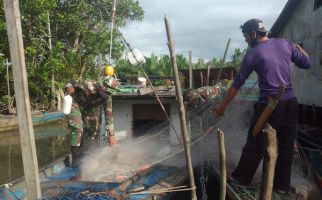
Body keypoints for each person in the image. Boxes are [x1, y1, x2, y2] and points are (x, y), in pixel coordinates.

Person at [213, 18, 310, 193]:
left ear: (253, 34)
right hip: (291, 104)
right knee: (286, 147)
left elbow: (237, 84)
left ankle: (240, 179)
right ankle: (282, 187)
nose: (245, 40)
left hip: (269, 107)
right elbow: (306, 62)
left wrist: (222, 106)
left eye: (245, 37)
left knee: (254, 142)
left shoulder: (252, 54)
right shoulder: (285, 43)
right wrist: (298, 47)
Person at [64, 82, 83, 167]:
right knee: (76, 136)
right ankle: (75, 162)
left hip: (75, 120)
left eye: (72, 87)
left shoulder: (72, 97)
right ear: (68, 89)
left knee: (76, 136)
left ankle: (76, 160)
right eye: (70, 88)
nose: (72, 89)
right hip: (74, 120)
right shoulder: (69, 98)